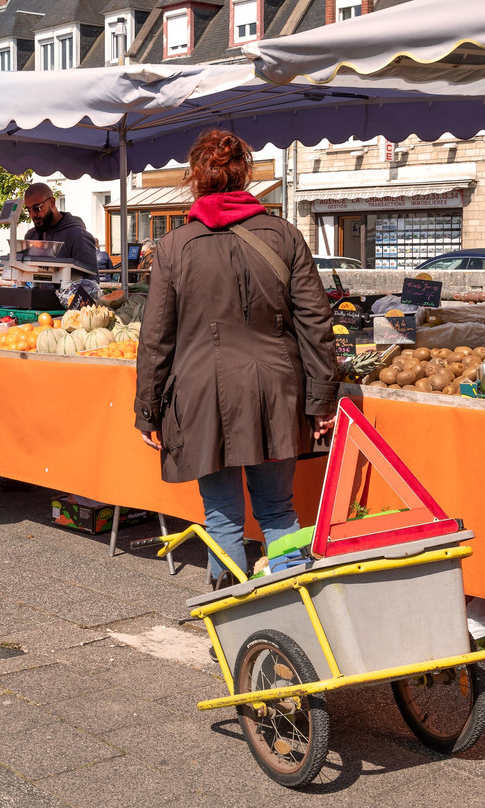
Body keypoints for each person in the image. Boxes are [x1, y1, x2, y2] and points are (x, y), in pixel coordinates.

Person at [134, 129, 338, 590]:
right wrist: (322, 401)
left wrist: (147, 410)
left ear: (195, 179)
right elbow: (316, 322)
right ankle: (293, 609)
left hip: (203, 393)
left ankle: (230, 616)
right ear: (245, 175)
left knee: (222, 514)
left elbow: (156, 339)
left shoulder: (174, 246)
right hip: (276, 390)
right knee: (278, 508)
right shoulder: (285, 235)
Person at [22, 182, 97, 272]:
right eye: (28, 210)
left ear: (52, 202)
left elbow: (91, 282)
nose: (32, 215)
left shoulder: (79, 236)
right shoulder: (31, 236)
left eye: (37, 208)